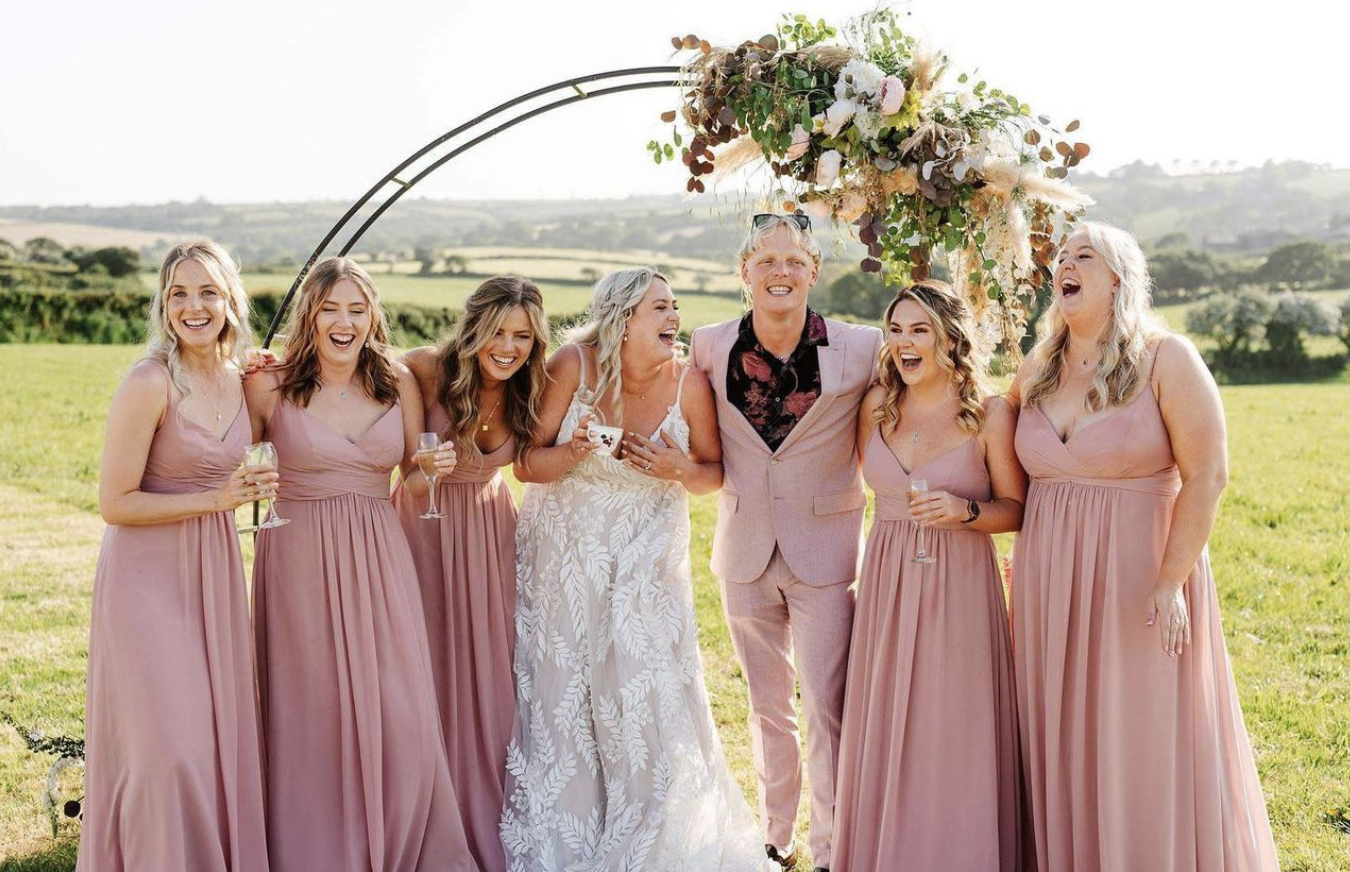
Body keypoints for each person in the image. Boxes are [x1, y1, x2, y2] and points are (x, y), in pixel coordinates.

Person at [1009, 222, 1279, 870]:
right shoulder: (1038, 367)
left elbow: (1208, 474)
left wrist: (1169, 580)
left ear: (1119, 280)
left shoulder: (1167, 358)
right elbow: (993, 447)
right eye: (1062, 257)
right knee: (1064, 731)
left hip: (1141, 582)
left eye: (1084, 256)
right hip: (1049, 583)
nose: (1065, 265)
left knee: (1141, 734)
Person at [501, 267, 774, 871]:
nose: (675, 318)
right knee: (567, 694)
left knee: (645, 690)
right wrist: (572, 452)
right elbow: (525, 464)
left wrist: (676, 468)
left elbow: (712, 473)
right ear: (623, 320)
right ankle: (574, 827)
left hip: (646, 564)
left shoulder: (689, 384)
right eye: (661, 308)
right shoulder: (572, 366)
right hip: (566, 561)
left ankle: (654, 826)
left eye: (675, 307)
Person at [245, 257, 477, 872]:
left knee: (399, 707)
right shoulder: (269, 384)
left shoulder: (396, 381)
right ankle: (315, 848)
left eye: (356, 309)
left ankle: (399, 837)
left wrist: (431, 473)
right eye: (330, 309)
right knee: (309, 705)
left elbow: (410, 477)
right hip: (297, 555)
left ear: (373, 315)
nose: (343, 322)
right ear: (309, 316)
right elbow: (231, 454)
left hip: (379, 552)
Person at [688, 213, 882, 872]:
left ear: (814, 272)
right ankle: (776, 838)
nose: (781, 272)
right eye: (767, 261)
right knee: (766, 705)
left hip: (826, 551)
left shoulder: (862, 347)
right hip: (743, 550)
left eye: (795, 260)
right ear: (744, 271)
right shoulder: (707, 346)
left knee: (826, 705)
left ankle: (831, 845)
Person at [78, 240, 270, 872]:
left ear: (230, 300)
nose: (194, 307)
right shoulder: (149, 381)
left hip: (213, 573)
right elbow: (114, 502)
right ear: (163, 304)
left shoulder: (243, 379)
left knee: (212, 737)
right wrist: (218, 499)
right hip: (146, 581)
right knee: (166, 750)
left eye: (208, 292)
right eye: (179, 294)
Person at [832, 281, 1028, 872]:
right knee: (890, 718)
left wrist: (965, 512)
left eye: (919, 330)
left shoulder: (990, 413)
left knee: (955, 720)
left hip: (961, 582)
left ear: (950, 337)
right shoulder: (876, 405)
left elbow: (1016, 510)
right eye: (895, 330)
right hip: (887, 578)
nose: (904, 343)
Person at [392, 276, 548, 872]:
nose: (508, 347)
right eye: (497, 332)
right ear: (472, 326)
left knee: (490, 671)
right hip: (423, 526)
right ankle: (428, 810)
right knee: (424, 663)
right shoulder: (425, 369)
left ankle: (485, 806)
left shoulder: (532, 385)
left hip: (489, 531)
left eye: (522, 336)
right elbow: (350, 369)